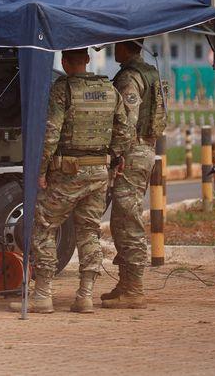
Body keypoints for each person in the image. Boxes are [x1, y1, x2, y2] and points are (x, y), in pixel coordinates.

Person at [10, 48, 133, 314]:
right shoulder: (109, 90)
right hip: (99, 172)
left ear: (64, 62)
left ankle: (43, 295)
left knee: (44, 226)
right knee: (89, 231)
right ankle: (85, 296)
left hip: (67, 173)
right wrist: (114, 156)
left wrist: (40, 170)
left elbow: (51, 133)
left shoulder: (62, 90)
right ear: (87, 60)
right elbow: (124, 131)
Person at [103, 39, 166, 308]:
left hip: (133, 151)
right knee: (121, 217)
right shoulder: (150, 71)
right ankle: (126, 282)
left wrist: (116, 154)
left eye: (116, 45)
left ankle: (135, 288)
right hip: (144, 148)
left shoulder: (130, 77)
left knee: (127, 218)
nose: (113, 49)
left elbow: (127, 121)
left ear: (125, 47)